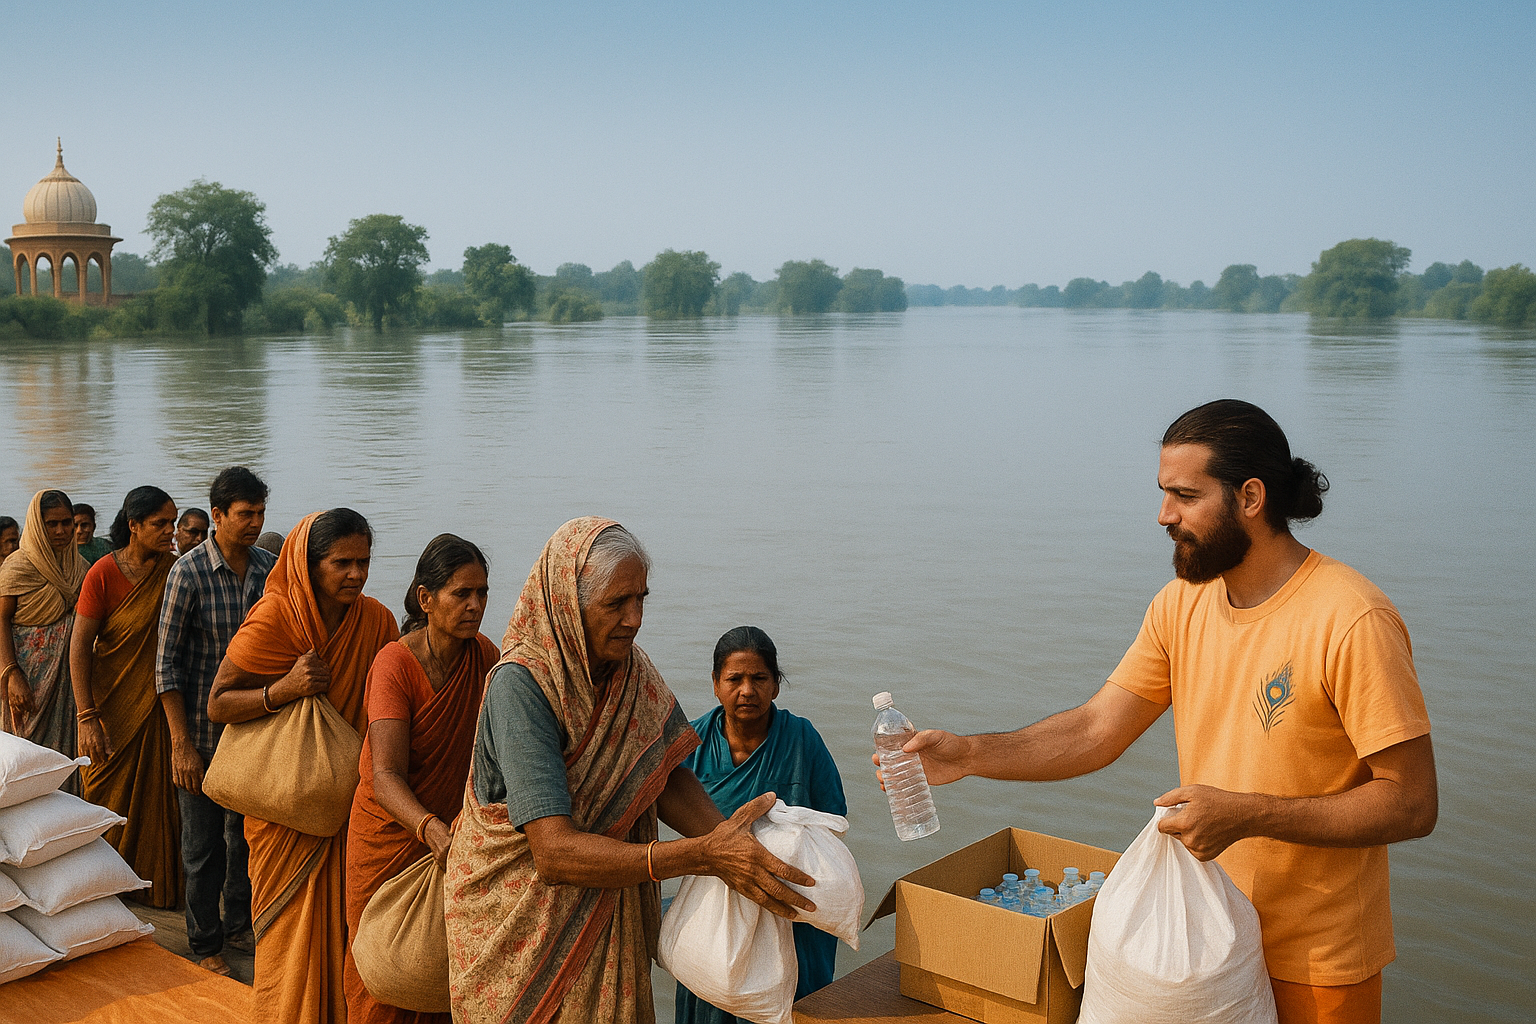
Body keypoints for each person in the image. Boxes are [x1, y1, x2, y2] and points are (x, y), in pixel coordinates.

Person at [884, 400, 1436, 1024]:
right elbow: (1097, 729)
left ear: (1250, 497)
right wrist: (970, 754)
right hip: (1199, 942)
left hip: (1315, 959)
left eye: (1184, 495)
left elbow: (1411, 802)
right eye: (1163, 493)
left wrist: (1247, 815)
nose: (1163, 515)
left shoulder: (1351, 618)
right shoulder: (1182, 604)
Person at [444, 518, 816, 1024]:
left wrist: (735, 845)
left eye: (641, 598)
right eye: (616, 604)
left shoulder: (630, 670)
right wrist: (701, 855)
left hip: (605, 918)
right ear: (568, 605)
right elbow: (553, 852)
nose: (634, 618)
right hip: (521, 933)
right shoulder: (521, 687)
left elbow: (661, 772)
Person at [209, 509, 398, 1024]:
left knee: (348, 929)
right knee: (288, 934)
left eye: (363, 562)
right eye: (342, 563)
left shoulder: (377, 621)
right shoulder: (275, 619)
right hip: (285, 812)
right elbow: (219, 703)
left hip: (350, 807)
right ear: (308, 565)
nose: (356, 575)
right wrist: (284, 690)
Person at [344, 534, 498, 1024]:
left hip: (454, 841)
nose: (475, 605)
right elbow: (386, 776)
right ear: (426, 599)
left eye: (482, 593)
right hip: (392, 836)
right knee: (382, 968)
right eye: (461, 594)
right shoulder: (394, 663)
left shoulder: (487, 658)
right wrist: (433, 830)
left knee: (443, 972)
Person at [676, 626, 847, 1024]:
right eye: (735, 679)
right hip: (717, 905)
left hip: (787, 903)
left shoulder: (803, 739)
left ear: (776, 686)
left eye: (759, 678)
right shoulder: (692, 744)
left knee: (794, 1004)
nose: (747, 690)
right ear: (716, 685)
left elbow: (833, 822)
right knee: (714, 999)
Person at [156, 467, 275, 977]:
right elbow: (167, 665)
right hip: (202, 740)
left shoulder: (269, 570)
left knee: (246, 840)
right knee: (201, 849)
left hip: (253, 735)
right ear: (219, 515)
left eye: (260, 513)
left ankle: (238, 924)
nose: (254, 523)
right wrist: (180, 743)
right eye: (245, 514)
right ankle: (205, 944)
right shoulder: (187, 573)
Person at [70, 485, 184, 908]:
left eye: (172, 523)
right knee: (103, 794)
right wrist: (87, 715)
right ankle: (100, 892)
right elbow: (80, 647)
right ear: (133, 526)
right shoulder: (102, 572)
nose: (170, 531)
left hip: (159, 705)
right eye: (160, 523)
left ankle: (153, 890)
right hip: (110, 707)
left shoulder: (174, 570)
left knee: (161, 800)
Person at [1, 492, 89, 781]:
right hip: (26, 678)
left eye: (67, 523)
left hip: (65, 683)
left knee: (62, 755)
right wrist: (12, 674)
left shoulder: (79, 568)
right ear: (37, 525)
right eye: (52, 524)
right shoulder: (18, 567)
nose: (62, 531)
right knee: (23, 754)